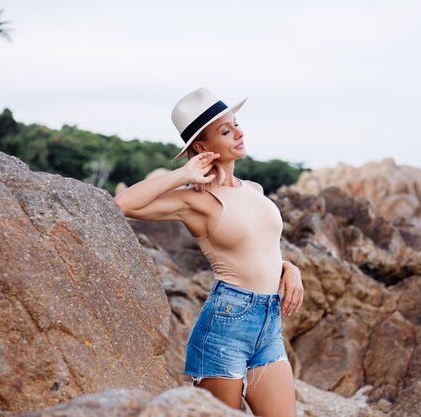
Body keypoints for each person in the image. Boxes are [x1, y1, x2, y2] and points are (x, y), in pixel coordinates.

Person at [113, 87, 304, 416]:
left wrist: (289, 267)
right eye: (226, 131)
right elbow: (121, 204)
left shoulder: (254, 190)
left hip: (269, 323)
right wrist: (183, 174)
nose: (239, 133)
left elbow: (261, 247)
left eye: (237, 124)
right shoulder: (195, 202)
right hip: (226, 324)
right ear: (201, 147)